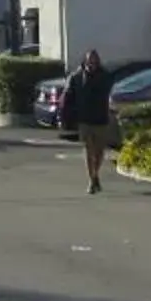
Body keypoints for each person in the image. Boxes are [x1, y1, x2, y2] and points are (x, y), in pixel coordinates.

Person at [59, 49, 117, 193]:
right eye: (90, 60)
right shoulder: (76, 77)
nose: (92, 63)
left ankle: (96, 174)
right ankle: (92, 179)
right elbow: (67, 97)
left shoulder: (105, 76)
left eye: (94, 60)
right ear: (85, 61)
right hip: (84, 118)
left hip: (101, 118)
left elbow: (110, 93)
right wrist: (65, 116)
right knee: (88, 149)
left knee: (99, 151)